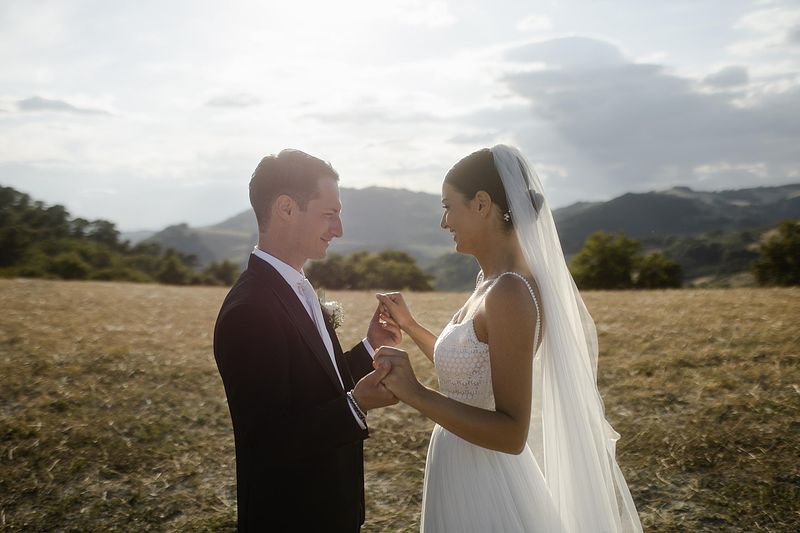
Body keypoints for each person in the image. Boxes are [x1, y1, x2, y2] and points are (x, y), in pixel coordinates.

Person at [374, 145, 643, 532]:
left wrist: (415, 394)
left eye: (448, 206)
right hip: (461, 461)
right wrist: (411, 326)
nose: (443, 222)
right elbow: (470, 377)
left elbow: (512, 432)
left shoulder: (510, 293)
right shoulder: (491, 282)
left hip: (485, 480)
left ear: (482, 204)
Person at [213, 149, 401, 532]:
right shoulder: (249, 309)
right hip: (291, 515)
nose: (339, 229)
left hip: (332, 509)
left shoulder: (297, 287)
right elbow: (269, 440)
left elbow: (317, 386)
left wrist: (368, 347)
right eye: (329, 214)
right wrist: (357, 405)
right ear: (285, 208)